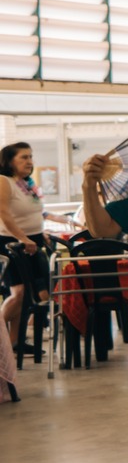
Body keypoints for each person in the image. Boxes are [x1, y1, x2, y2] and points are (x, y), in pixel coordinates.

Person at [1, 141, 50, 399]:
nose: (29, 161)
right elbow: (5, 215)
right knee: (18, 294)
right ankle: (2, 341)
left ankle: (13, 345)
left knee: (26, 300)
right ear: (9, 161)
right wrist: (23, 238)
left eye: (31, 157)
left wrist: (42, 235)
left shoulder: (27, 184)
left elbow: (33, 213)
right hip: (11, 242)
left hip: (32, 241)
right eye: (23, 158)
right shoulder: (4, 181)